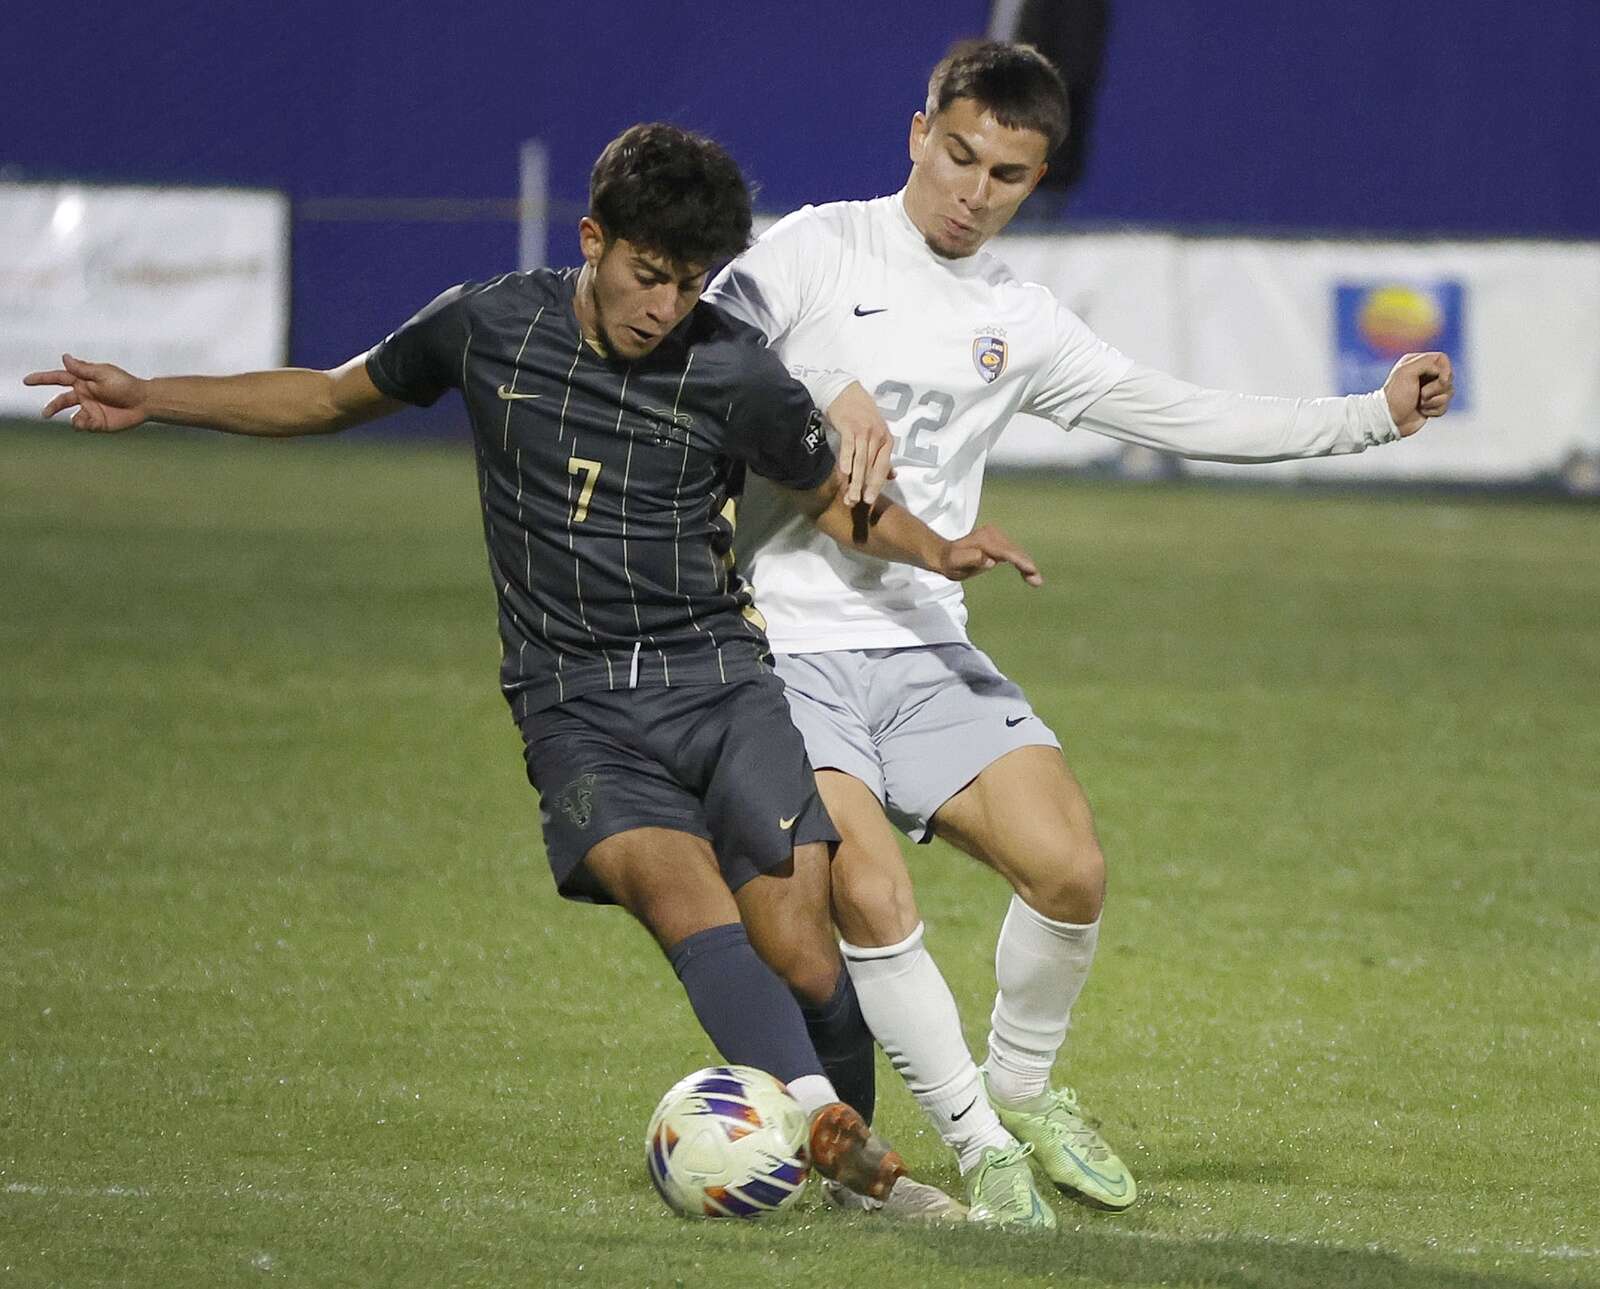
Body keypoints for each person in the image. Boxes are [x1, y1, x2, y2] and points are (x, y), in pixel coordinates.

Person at [24, 122, 1043, 1221]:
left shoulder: (736, 369)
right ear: (593, 239)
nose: (665, 303)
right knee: (673, 889)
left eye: (689, 282)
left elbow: (834, 500)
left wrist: (937, 547)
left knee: (801, 952)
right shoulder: (487, 326)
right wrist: (155, 396)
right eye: (648, 273)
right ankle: (830, 1129)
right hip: (577, 705)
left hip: (722, 683)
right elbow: (328, 396)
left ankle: (843, 1160)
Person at [705, 41, 1454, 1228]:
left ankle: (1024, 1090)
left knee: (1069, 868)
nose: (972, 191)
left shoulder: (1017, 316)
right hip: (778, 641)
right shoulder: (817, 247)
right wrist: (827, 379)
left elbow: (1180, 410)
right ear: (917, 133)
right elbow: (697, 339)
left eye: (1006, 174)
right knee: (874, 892)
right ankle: (974, 1137)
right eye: (957, 156)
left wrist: (1368, 414)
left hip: (923, 636)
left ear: (1035, 177)